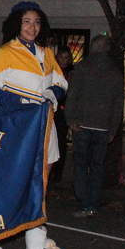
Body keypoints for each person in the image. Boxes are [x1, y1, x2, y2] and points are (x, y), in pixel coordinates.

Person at [0, 1, 68, 249]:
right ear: (17, 23)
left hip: (45, 128)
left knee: (40, 187)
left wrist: (53, 92)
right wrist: (23, 100)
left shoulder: (47, 53)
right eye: (27, 21)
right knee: (9, 186)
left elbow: (62, 83)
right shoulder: (5, 53)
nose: (32, 27)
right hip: (17, 130)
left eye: (37, 22)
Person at [63, 35, 124, 217]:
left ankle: (83, 201)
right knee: (97, 167)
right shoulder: (115, 73)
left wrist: (70, 119)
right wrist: (112, 129)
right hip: (102, 127)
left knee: (81, 165)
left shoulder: (82, 68)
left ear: (92, 49)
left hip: (82, 124)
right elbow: (118, 104)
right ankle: (92, 203)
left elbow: (72, 95)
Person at [49, 45, 75, 183]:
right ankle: (52, 168)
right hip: (53, 107)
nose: (64, 60)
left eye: (66, 58)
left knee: (61, 140)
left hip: (64, 109)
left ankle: (58, 170)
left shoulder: (72, 73)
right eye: (61, 57)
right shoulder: (53, 71)